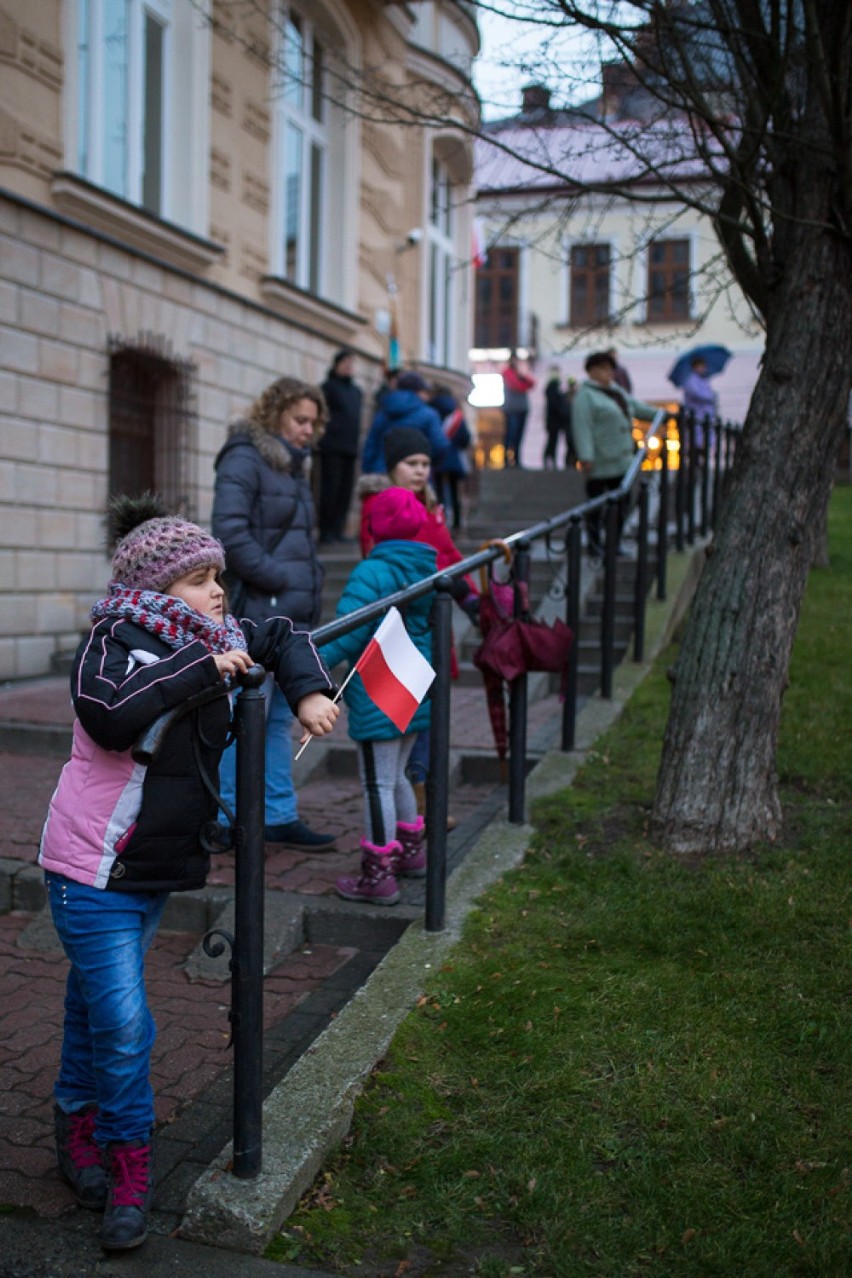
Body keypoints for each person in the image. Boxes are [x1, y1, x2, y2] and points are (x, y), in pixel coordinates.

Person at [39, 495, 338, 1251]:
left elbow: (280, 631)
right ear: (152, 588)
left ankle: (72, 1124)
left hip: (151, 869)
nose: (217, 592)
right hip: (89, 868)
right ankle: (129, 1168)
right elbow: (109, 714)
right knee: (127, 1022)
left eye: (219, 577)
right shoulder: (115, 642)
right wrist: (199, 668)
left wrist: (305, 691)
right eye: (198, 579)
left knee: (92, 1008)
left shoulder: (222, 633)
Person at [211, 376, 335, 848]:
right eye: (300, 419)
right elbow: (229, 535)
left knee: (282, 717)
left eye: (314, 423)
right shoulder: (246, 457)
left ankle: (279, 815)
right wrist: (280, 578)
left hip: (293, 613)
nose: (308, 430)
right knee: (244, 716)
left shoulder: (292, 467)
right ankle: (226, 818)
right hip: (260, 612)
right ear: (275, 413)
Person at [320, 487, 438, 905]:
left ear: (373, 526)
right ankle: (410, 853)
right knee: (400, 775)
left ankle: (378, 874)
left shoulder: (372, 571)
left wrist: (314, 660)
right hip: (414, 685)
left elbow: (350, 629)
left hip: (379, 690)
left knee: (377, 782)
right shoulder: (426, 567)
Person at [358, 426, 478, 824]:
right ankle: (418, 809)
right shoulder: (381, 506)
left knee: (427, 718)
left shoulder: (431, 505)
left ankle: (423, 804)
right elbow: (379, 560)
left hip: (432, 626)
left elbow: (449, 553)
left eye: (426, 463)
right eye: (412, 463)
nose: (421, 470)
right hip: (402, 630)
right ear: (393, 466)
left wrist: (472, 594)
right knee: (407, 719)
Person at [571, 350, 657, 559]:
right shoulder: (585, 396)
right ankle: (594, 545)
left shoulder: (616, 391)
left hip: (622, 461)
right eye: (603, 369)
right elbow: (582, 427)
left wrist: (662, 415)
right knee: (596, 506)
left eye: (610, 369)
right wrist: (586, 456)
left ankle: (614, 543)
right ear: (591, 372)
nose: (608, 373)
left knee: (622, 504)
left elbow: (636, 408)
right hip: (600, 461)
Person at [360, 370, 448, 475]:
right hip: (414, 475)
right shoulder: (429, 414)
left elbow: (371, 442)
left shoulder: (384, 410)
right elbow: (439, 446)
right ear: (417, 391)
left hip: (380, 472)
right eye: (424, 391)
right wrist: (426, 465)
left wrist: (369, 470)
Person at [318, 350, 363, 544]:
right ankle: (325, 530)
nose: (348, 367)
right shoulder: (328, 387)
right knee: (330, 489)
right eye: (345, 363)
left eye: (351, 363)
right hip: (331, 447)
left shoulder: (356, 392)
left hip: (349, 448)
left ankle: (338, 529)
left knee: (345, 491)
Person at [429, 385, 472, 531]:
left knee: (439, 492)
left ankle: (441, 522)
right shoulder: (456, 414)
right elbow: (465, 439)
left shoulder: (431, 410)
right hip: (454, 459)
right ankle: (457, 524)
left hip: (437, 458)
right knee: (455, 493)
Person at [500, 350, 535, 468]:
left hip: (522, 408)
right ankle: (506, 460)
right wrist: (523, 383)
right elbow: (516, 385)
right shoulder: (507, 372)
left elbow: (532, 383)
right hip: (511, 409)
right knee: (511, 434)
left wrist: (522, 378)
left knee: (519, 436)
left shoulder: (519, 373)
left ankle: (517, 459)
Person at [681, 356, 718, 449]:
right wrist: (711, 397)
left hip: (705, 416)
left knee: (705, 441)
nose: (703, 369)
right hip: (697, 415)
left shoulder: (703, 380)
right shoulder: (690, 380)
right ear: (695, 367)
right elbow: (698, 394)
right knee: (697, 441)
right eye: (701, 366)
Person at [543, 367, 575, 468]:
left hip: (555, 420)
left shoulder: (553, 388)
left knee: (554, 441)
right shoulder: (553, 388)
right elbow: (556, 405)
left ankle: (552, 460)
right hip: (555, 420)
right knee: (553, 441)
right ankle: (551, 459)